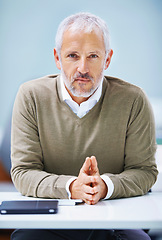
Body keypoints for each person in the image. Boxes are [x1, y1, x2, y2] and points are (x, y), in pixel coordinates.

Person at [10, 12, 158, 240]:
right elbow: (22, 173)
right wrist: (72, 187)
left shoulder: (133, 100)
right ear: (57, 58)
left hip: (114, 220)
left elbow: (145, 171)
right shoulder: (30, 96)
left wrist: (105, 186)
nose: (82, 68)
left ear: (107, 59)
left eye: (93, 56)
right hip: (49, 223)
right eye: (72, 56)